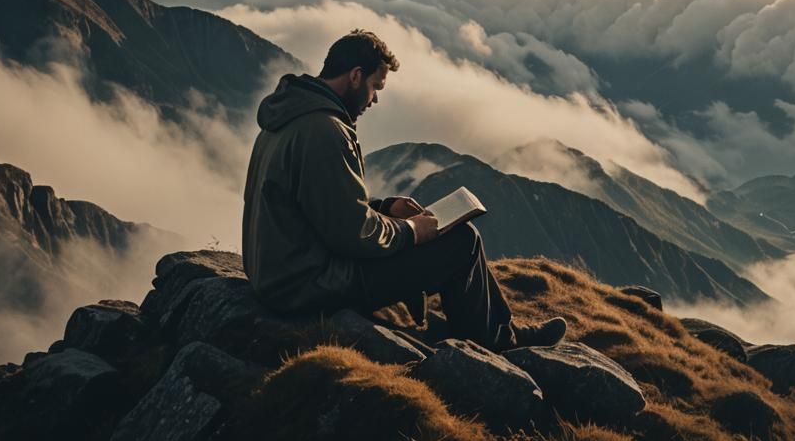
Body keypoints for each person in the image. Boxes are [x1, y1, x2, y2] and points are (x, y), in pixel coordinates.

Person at [242, 27, 566, 351]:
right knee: (462, 243)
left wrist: (384, 208)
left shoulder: (290, 117)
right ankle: (500, 342)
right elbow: (354, 234)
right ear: (355, 76)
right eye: (374, 86)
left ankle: (494, 329)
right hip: (309, 284)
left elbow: (322, 204)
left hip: (282, 274)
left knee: (450, 241)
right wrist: (411, 231)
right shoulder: (324, 132)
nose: (375, 98)